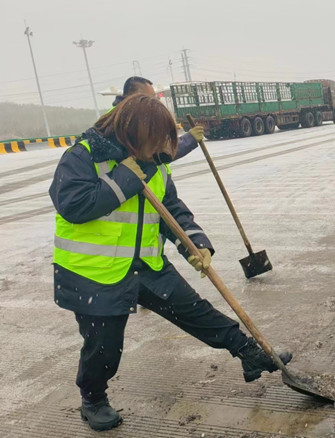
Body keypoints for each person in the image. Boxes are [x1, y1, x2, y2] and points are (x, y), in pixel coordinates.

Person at [49, 94, 292, 432]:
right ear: (132, 133)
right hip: (93, 274)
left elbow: (171, 209)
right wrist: (122, 181)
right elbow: (72, 204)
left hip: (146, 264)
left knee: (194, 309)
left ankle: (248, 352)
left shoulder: (153, 161)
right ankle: (93, 398)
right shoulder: (83, 156)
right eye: (153, 141)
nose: (159, 149)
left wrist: (194, 242)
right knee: (104, 347)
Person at [112, 76, 204, 160]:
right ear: (135, 96)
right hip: (143, 178)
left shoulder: (129, 115)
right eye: (149, 97)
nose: (154, 101)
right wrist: (189, 139)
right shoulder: (128, 120)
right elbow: (158, 153)